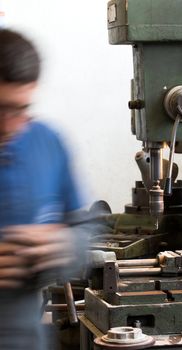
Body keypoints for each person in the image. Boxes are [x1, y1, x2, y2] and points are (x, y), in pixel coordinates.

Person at [0, 29, 87, 350]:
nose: (10, 125)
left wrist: (66, 245)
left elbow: (83, 228)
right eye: (0, 109)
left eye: (21, 109)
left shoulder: (48, 143)